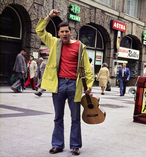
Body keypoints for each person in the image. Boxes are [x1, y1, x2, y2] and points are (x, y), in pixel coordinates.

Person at [36, 9, 93, 155]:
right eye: (62, 32)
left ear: (70, 32)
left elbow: (87, 68)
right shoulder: (54, 42)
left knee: (75, 118)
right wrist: (49, 16)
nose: (65, 34)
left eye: (67, 31)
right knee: (58, 117)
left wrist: (90, 86)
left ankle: (75, 146)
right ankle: (57, 145)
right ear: (59, 33)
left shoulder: (80, 46)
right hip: (59, 84)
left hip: (74, 84)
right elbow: (39, 30)